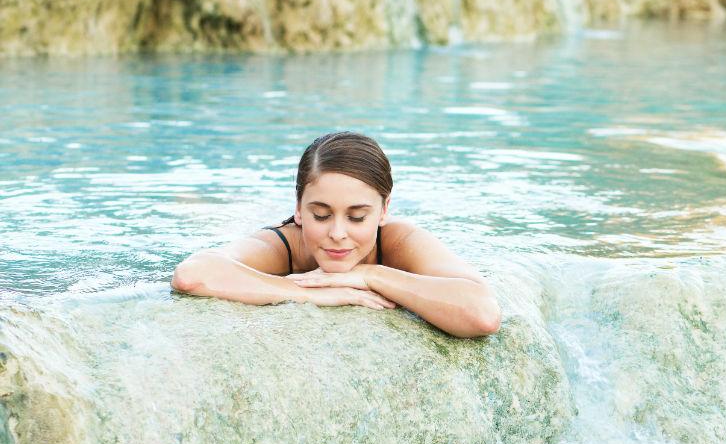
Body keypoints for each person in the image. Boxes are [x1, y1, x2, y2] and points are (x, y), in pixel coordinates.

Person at [170, 132, 501, 338]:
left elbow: (483, 314)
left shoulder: (398, 241)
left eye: (357, 217)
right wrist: (305, 293)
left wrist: (370, 275)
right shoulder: (283, 245)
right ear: (299, 208)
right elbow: (192, 274)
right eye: (321, 215)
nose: (337, 233)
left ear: (383, 210)